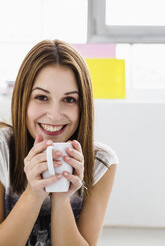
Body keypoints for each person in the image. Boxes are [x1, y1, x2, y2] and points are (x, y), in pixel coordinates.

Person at [0, 39, 119, 246]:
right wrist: (33, 195)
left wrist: (62, 199)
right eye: (41, 97)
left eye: (70, 99)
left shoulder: (102, 161)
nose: (55, 115)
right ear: (22, 99)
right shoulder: (2, 150)